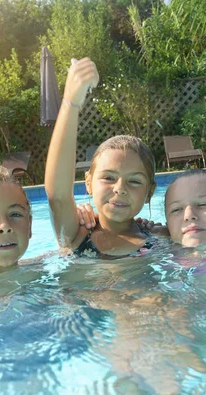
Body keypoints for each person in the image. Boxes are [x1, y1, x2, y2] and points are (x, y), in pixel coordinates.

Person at [44, 57, 157, 258]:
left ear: (150, 191)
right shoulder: (76, 234)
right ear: (88, 182)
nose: (120, 188)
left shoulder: (158, 237)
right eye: (108, 177)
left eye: (134, 181)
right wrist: (70, 102)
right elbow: (58, 196)